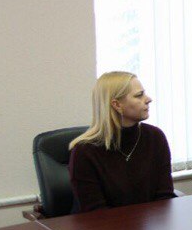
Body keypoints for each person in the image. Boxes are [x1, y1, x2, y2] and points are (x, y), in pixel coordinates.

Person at [69, 71, 175, 213]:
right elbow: (95, 212)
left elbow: (165, 197)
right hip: (104, 226)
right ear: (117, 104)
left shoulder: (155, 137)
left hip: (151, 224)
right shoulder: (84, 151)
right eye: (139, 95)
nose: (148, 99)